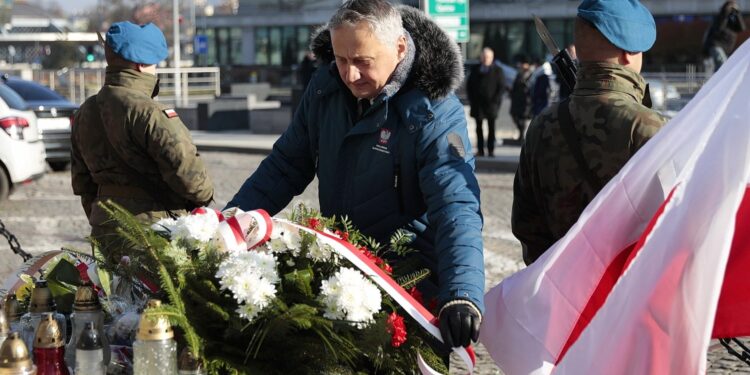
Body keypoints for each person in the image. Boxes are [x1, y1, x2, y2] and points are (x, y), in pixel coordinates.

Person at [226, 0, 484, 350]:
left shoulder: (435, 111)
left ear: (399, 47)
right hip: (342, 275)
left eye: (363, 62)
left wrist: (462, 293)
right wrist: (229, 225)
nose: (349, 75)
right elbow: (285, 166)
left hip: (411, 287)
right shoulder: (325, 90)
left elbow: (455, 203)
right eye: (341, 60)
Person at [512, 0, 668, 265]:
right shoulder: (649, 126)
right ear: (629, 53)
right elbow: (673, 224)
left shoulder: (542, 125)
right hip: (629, 294)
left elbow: (527, 225)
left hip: (562, 292)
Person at [71, 21, 214, 264]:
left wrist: (104, 216)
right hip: (154, 234)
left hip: (105, 229)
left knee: (111, 298)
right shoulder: (150, 113)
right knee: (158, 301)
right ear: (141, 64)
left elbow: (83, 183)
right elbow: (193, 182)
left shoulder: (85, 111)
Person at [466, 47, 505, 157]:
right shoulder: (476, 69)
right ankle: (480, 150)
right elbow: (469, 86)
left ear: (492, 58)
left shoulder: (497, 70)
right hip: (478, 105)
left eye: (487, 57)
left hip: (491, 105)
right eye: (483, 56)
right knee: (479, 128)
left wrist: (496, 101)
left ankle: (491, 150)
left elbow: (501, 87)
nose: (485, 59)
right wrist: (472, 100)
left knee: (491, 128)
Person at [703, 1, 746, 72]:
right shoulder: (720, 16)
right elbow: (719, 28)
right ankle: (717, 82)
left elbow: (741, 28)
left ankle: (717, 81)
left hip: (726, 48)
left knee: (723, 67)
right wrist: (726, 12)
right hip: (716, 45)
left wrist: (737, 13)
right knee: (722, 64)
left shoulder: (733, 19)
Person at [509, 54, 532, 141]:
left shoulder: (530, 74)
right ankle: (521, 134)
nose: (521, 66)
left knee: (523, 119)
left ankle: (522, 136)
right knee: (515, 116)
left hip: (525, 101)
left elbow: (530, 87)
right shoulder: (519, 74)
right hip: (516, 100)